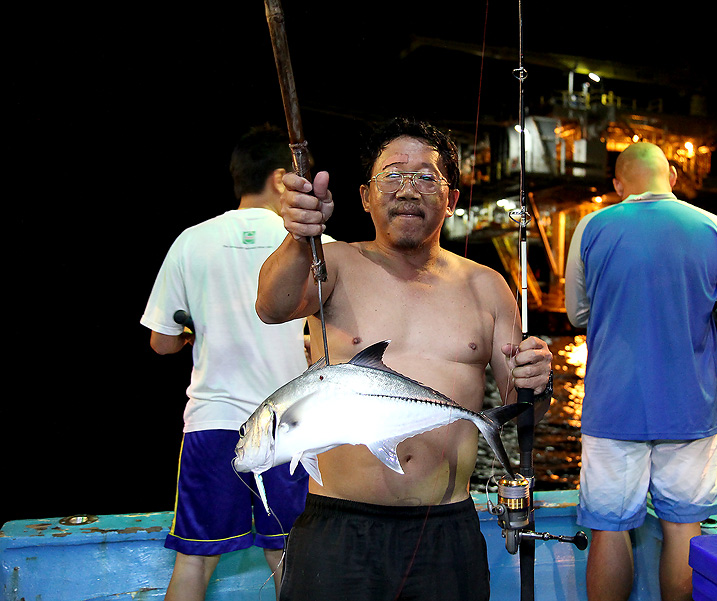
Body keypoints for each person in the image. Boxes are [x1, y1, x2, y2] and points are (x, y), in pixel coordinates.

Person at [255, 117, 553, 600]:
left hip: (445, 529)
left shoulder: (487, 286)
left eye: (426, 177)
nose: (408, 189)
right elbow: (271, 306)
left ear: (452, 199)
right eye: (392, 175)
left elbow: (524, 413)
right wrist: (298, 234)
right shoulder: (331, 264)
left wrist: (538, 382)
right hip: (339, 526)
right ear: (366, 195)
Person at [141, 124, 332, 600]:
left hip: (213, 424)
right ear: (280, 177)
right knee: (288, 557)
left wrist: (191, 334)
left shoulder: (190, 241)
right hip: (290, 428)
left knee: (193, 563)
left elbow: (161, 343)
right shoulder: (313, 245)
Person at [564, 142, 717, 601]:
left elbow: (577, 314)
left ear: (618, 185)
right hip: (691, 410)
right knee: (684, 529)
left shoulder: (592, 227)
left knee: (608, 529)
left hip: (614, 406)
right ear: (672, 176)